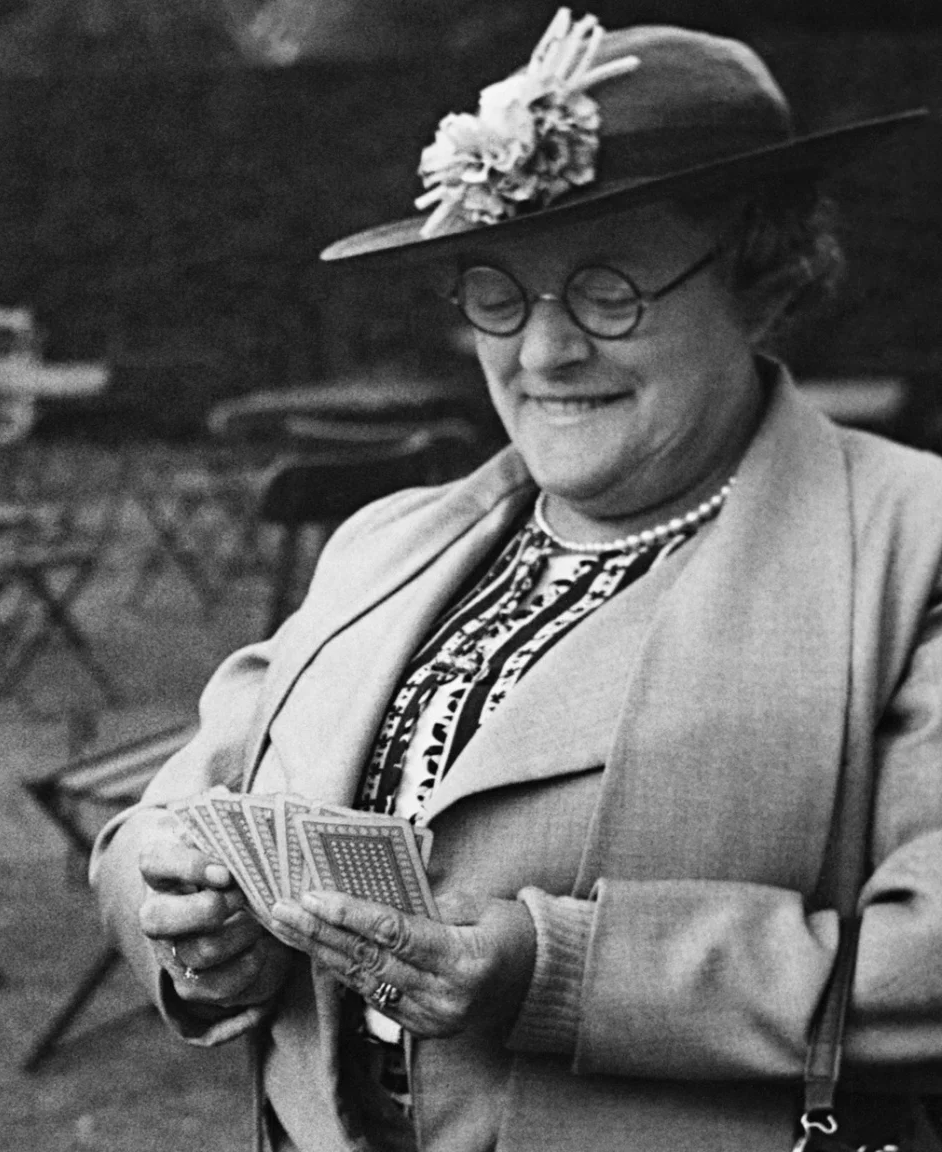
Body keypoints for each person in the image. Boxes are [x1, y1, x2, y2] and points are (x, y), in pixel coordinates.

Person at [93, 12, 940, 1151]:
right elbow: (158, 822)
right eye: (497, 292)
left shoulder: (912, 546)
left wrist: (562, 973)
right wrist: (184, 916)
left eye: (608, 290)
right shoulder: (388, 543)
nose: (543, 353)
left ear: (765, 282)